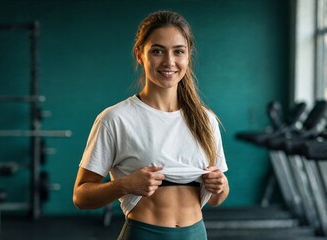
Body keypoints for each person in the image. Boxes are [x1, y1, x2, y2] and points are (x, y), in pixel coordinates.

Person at [73, 10, 229, 240]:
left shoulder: (206, 120)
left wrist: (221, 185)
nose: (169, 62)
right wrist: (124, 185)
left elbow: (216, 198)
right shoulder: (115, 118)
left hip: (196, 234)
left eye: (179, 51)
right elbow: (81, 197)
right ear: (140, 54)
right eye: (157, 51)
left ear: (188, 56)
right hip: (144, 234)